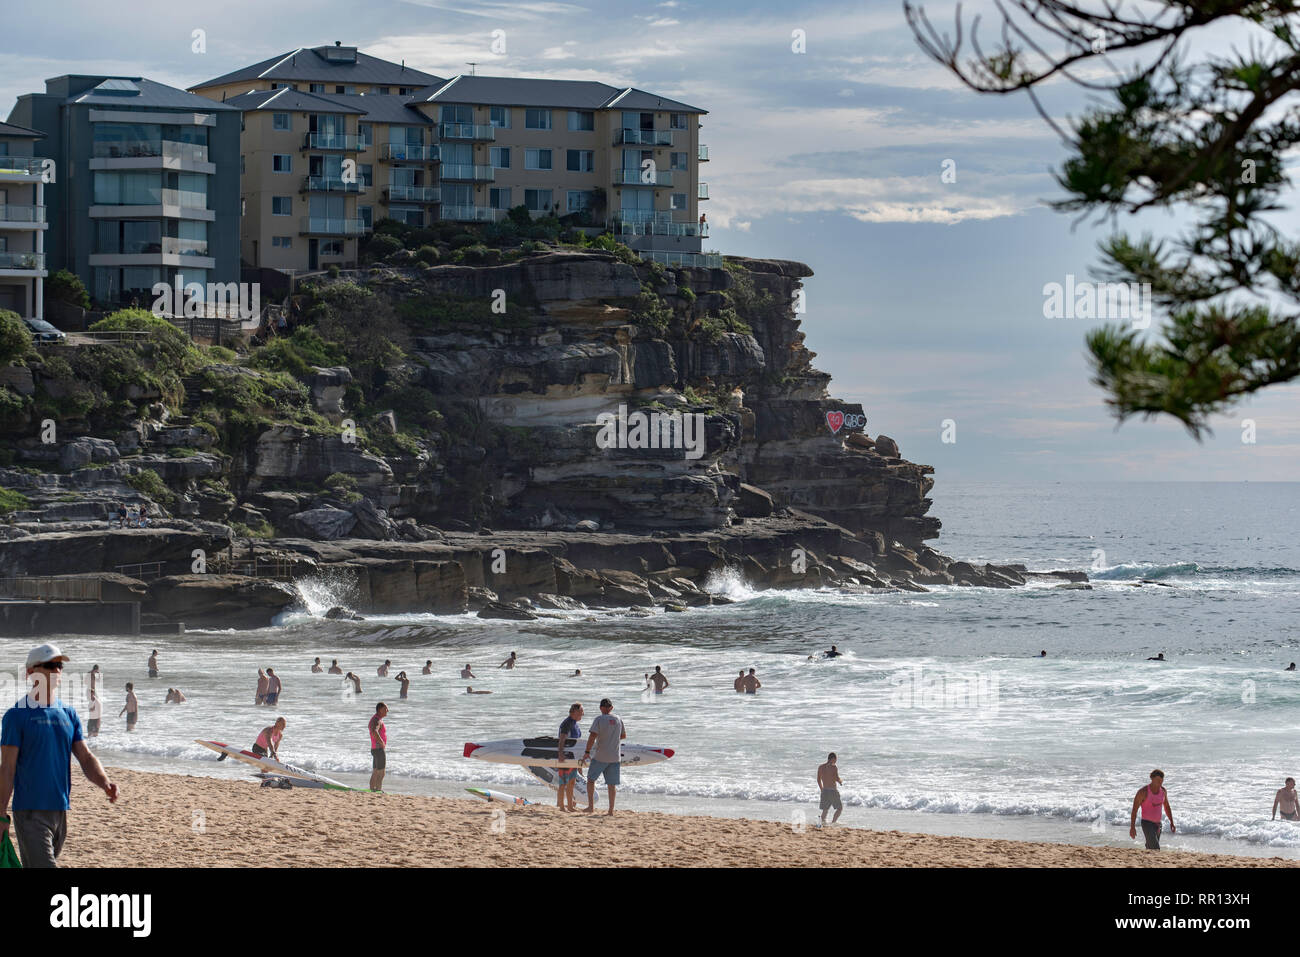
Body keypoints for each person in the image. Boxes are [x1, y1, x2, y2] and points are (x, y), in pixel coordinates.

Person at [0, 643, 120, 868]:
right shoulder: (16, 716)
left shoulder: (68, 713)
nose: (56, 670)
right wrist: (0, 814)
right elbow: (7, 768)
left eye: (59, 666)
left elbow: (85, 757)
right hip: (30, 811)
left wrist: (104, 782)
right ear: (30, 673)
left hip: (60, 810)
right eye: (49, 665)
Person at [582, 698, 626, 816]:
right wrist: (612, 740)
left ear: (600, 708)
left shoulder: (599, 719)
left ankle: (591, 807)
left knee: (591, 780)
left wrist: (587, 751)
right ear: (611, 708)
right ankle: (611, 810)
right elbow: (623, 736)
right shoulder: (618, 719)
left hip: (601, 756)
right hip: (615, 757)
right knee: (611, 785)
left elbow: (592, 736)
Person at [1129, 769, 1175, 850]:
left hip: (1158, 825)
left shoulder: (1163, 791)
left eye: (1161, 781)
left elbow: (1167, 807)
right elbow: (1134, 810)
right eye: (1158, 781)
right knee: (1155, 849)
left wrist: (1171, 822)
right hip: (1147, 824)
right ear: (1152, 779)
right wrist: (1132, 827)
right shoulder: (1143, 792)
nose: (1160, 783)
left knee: (1150, 848)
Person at [556, 703, 584, 811]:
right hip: (566, 757)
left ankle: (570, 806)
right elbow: (562, 739)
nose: (583, 713)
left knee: (572, 782)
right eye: (581, 711)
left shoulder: (575, 724)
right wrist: (560, 753)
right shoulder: (567, 723)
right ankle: (562, 806)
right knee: (563, 782)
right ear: (574, 712)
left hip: (573, 758)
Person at [817, 753, 843, 826]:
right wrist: (840, 781)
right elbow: (836, 778)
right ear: (832, 759)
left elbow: (818, 780)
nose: (836, 761)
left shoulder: (820, 767)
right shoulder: (833, 767)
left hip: (825, 790)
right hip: (832, 791)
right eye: (835, 759)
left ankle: (822, 823)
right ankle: (833, 823)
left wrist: (822, 789)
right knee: (840, 808)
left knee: (825, 809)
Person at [368, 703, 388, 792]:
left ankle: (373, 790)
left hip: (374, 749)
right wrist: (382, 742)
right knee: (381, 772)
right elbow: (374, 731)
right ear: (380, 709)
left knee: (376, 771)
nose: (387, 711)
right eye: (386, 709)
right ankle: (378, 790)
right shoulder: (377, 720)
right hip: (379, 749)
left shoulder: (376, 719)